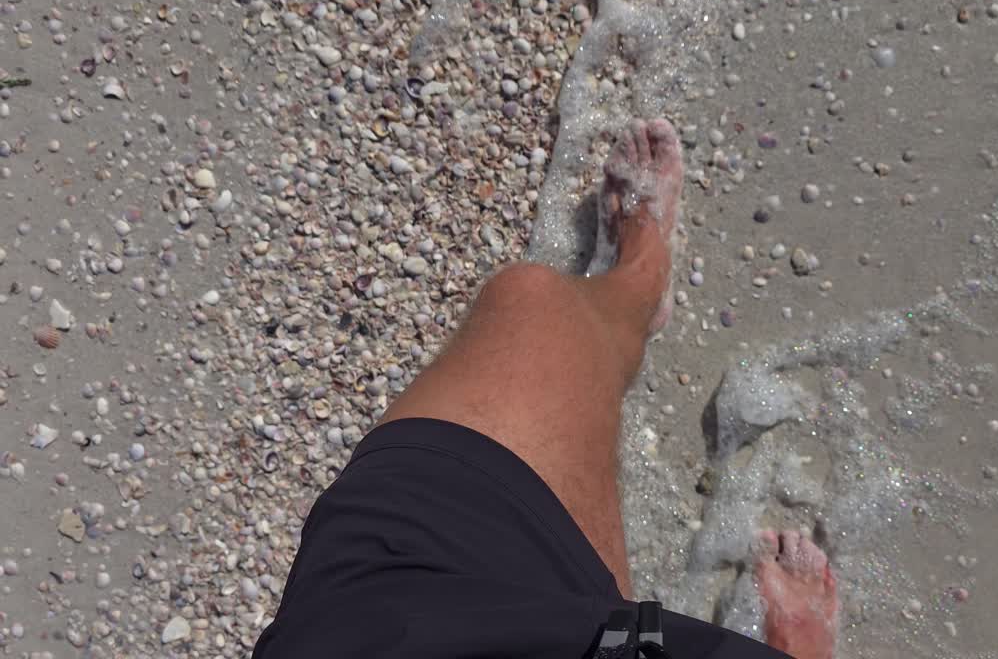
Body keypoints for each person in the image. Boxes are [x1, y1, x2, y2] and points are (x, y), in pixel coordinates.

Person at [251, 119, 840, 659]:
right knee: (536, 307)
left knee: (529, 302)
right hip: (399, 627)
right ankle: (800, 650)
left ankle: (637, 289)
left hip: (379, 624)